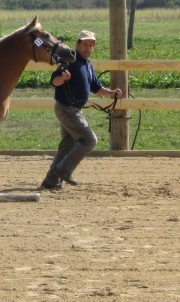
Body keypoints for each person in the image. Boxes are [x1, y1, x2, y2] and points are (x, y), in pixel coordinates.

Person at [40, 30, 123, 190]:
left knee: (67, 146)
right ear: (78, 44)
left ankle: (51, 181)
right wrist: (62, 78)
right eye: (85, 44)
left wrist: (111, 93)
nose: (87, 48)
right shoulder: (69, 60)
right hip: (67, 109)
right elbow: (54, 81)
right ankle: (64, 170)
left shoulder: (88, 65)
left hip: (72, 109)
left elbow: (95, 87)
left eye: (91, 45)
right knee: (89, 140)